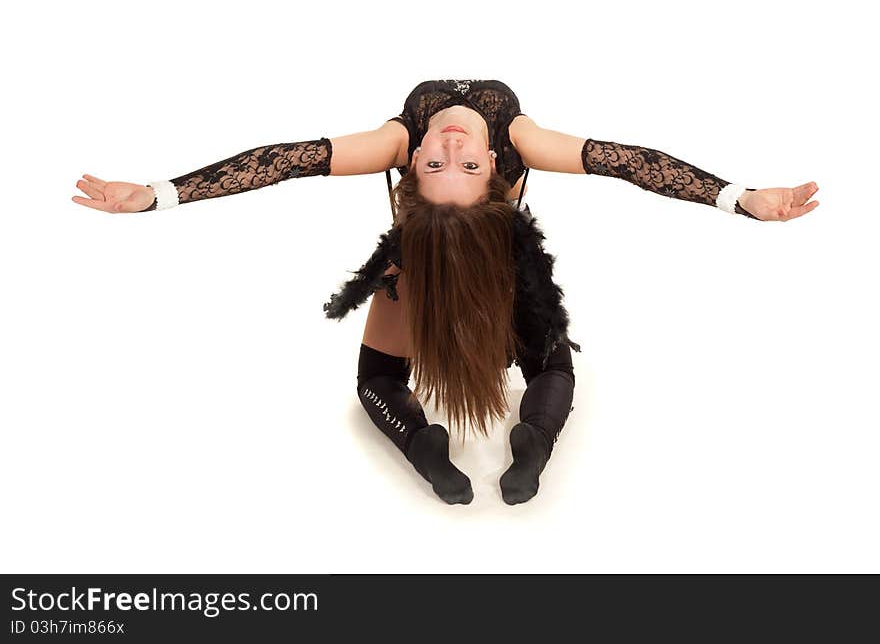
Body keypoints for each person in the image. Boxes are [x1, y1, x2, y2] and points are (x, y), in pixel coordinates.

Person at [72, 79, 821, 506]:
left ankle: (523, 441)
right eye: (453, 166)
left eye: (447, 165)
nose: (455, 149)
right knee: (545, 361)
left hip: (474, 261)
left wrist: (160, 194)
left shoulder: (399, 139)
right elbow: (620, 160)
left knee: (381, 375)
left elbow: (290, 159)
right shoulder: (517, 138)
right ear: (499, 167)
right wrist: (738, 196)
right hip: (445, 263)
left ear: (411, 164)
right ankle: (454, 442)